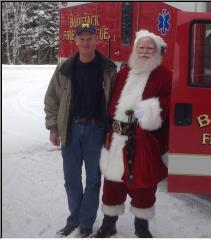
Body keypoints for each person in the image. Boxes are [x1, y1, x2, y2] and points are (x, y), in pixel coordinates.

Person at [92, 29, 172, 238]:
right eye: (142, 47)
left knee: (143, 186)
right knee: (112, 183)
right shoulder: (124, 73)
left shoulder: (165, 75)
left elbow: (171, 102)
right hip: (116, 138)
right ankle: (109, 224)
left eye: (150, 48)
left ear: (157, 51)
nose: (145, 52)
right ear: (135, 49)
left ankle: (141, 227)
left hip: (143, 140)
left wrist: (147, 110)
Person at [44, 23, 117, 237]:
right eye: (82, 38)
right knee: (71, 178)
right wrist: (53, 127)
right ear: (75, 41)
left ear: (97, 40)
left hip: (96, 129)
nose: (86, 42)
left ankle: (86, 222)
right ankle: (74, 219)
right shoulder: (64, 69)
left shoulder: (109, 69)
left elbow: (115, 102)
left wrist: (111, 132)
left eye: (90, 38)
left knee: (93, 179)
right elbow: (52, 100)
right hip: (71, 129)